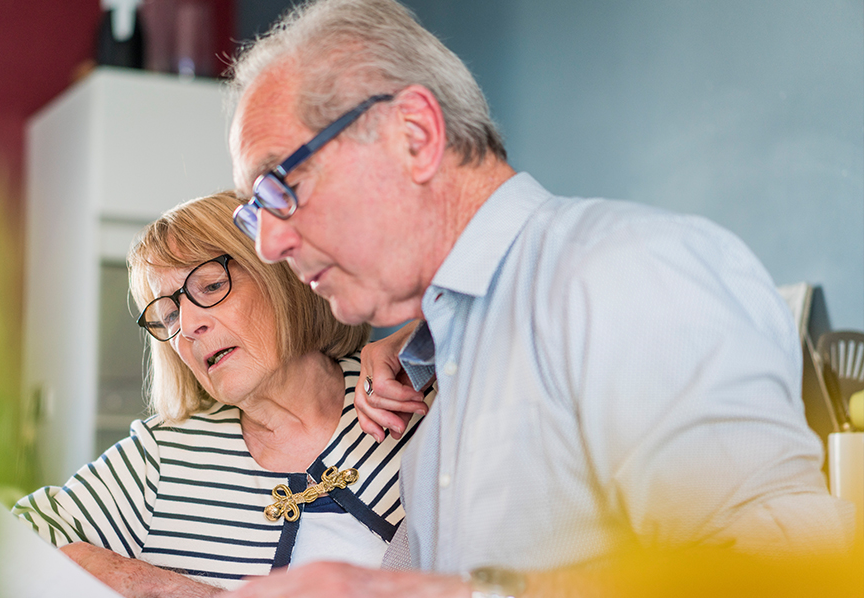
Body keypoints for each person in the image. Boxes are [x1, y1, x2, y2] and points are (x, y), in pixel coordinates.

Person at [221, 0, 855, 596]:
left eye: (280, 184)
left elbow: (779, 572)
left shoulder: (626, 272)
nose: (270, 243)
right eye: (254, 214)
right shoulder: (439, 365)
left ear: (414, 135)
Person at [12, 191, 433, 597]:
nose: (189, 326)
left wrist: (428, 338)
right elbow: (3, 546)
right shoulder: (161, 458)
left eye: (211, 286)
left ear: (280, 275)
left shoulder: (404, 385)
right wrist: (170, 590)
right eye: (169, 314)